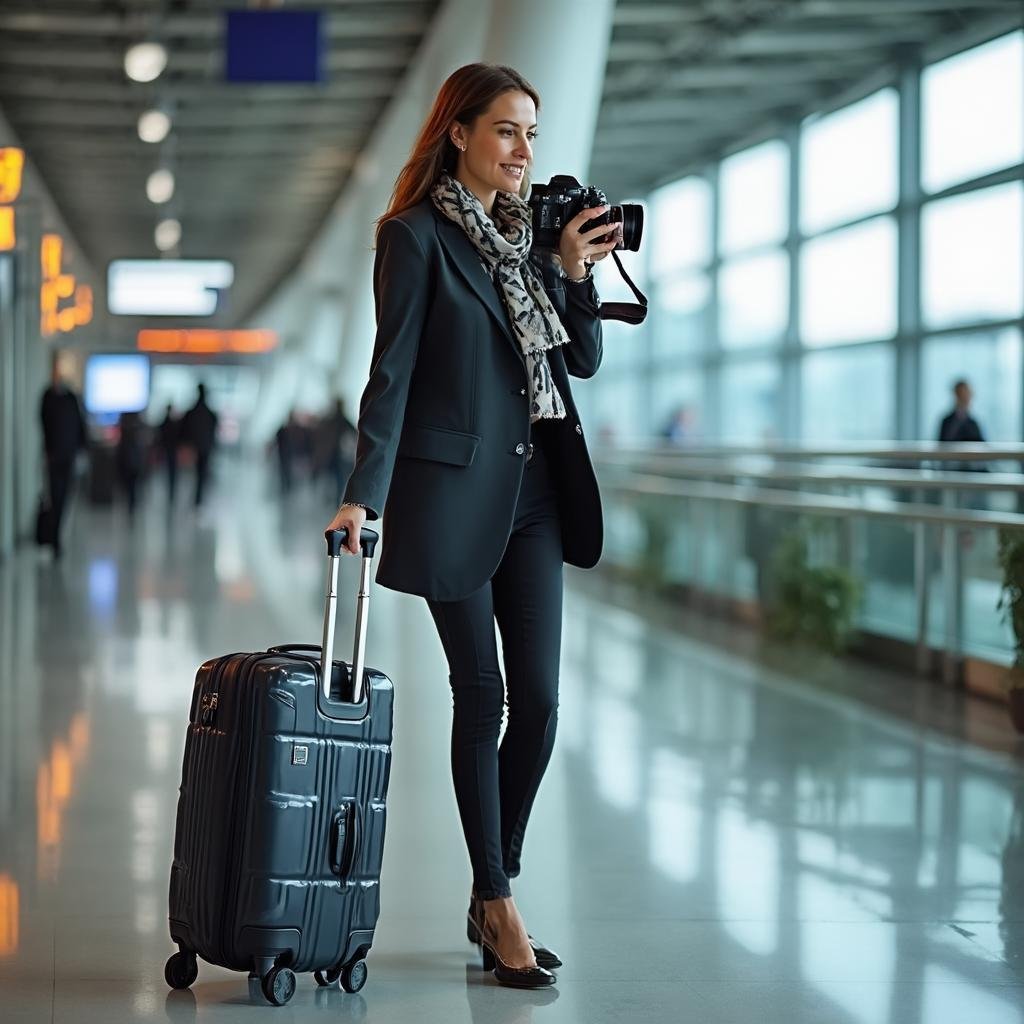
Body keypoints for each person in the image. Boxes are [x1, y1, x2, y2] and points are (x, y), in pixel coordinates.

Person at [325, 63, 621, 988]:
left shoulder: (532, 240)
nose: (523, 152)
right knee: (482, 695)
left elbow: (582, 357)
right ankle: (496, 902)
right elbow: (393, 374)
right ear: (458, 133)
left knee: (537, 703)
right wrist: (361, 494)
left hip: (536, 490)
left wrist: (573, 271)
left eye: (531, 134)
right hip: (452, 492)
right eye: (506, 131)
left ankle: (497, 881)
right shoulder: (412, 239)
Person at [39, 357, 86, 558]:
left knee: (63, 496)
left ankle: (56, 536)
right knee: (55, 496)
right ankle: (53, 537)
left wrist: (82, 450)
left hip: (68, 455)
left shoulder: (71, 399)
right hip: (53, 456)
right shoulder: (48, 397)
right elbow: (44, 425)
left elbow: (80, 427)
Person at [180, 384, 218, 507]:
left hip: (194, 449)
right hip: (204, 448)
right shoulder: (210, 413)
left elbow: (185, 431)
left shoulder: (192, 412)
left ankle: (196, 500)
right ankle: (198, 500)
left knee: (193, 476)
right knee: (201, 475)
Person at [115, 412, 146, 519]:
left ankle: (131, 504)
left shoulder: (125, 432)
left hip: (129, 463)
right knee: (132, 486)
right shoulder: (137, 431)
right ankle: (131, 504)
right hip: (133, 463)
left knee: (130, 485)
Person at [156, 404, 180, 504]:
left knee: (170, 473)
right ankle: (170, 492)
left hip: (168, 451)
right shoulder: (171, 423)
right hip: (169, 451)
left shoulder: (165, 423)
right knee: (170, 473)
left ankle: (171, 492)